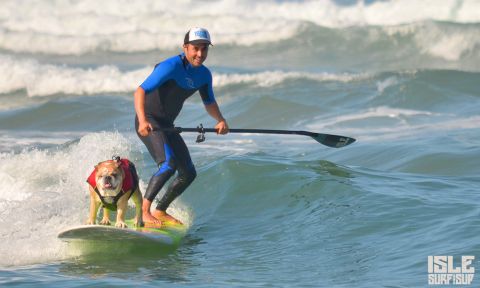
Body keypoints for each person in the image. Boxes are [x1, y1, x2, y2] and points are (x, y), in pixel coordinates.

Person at [134, 27, 229, 226]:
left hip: (167, 125)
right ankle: (144, 212)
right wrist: (143, 120)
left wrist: (220, 120)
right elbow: (140, 91)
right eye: (195, 48)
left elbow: (209, 102)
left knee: (188, 173)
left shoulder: (204, 75)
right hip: (150, 121)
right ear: (185, 47)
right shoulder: (170, 66)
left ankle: (160, 210)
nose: (200, 54)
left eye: (204, 49)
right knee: (168, 165)